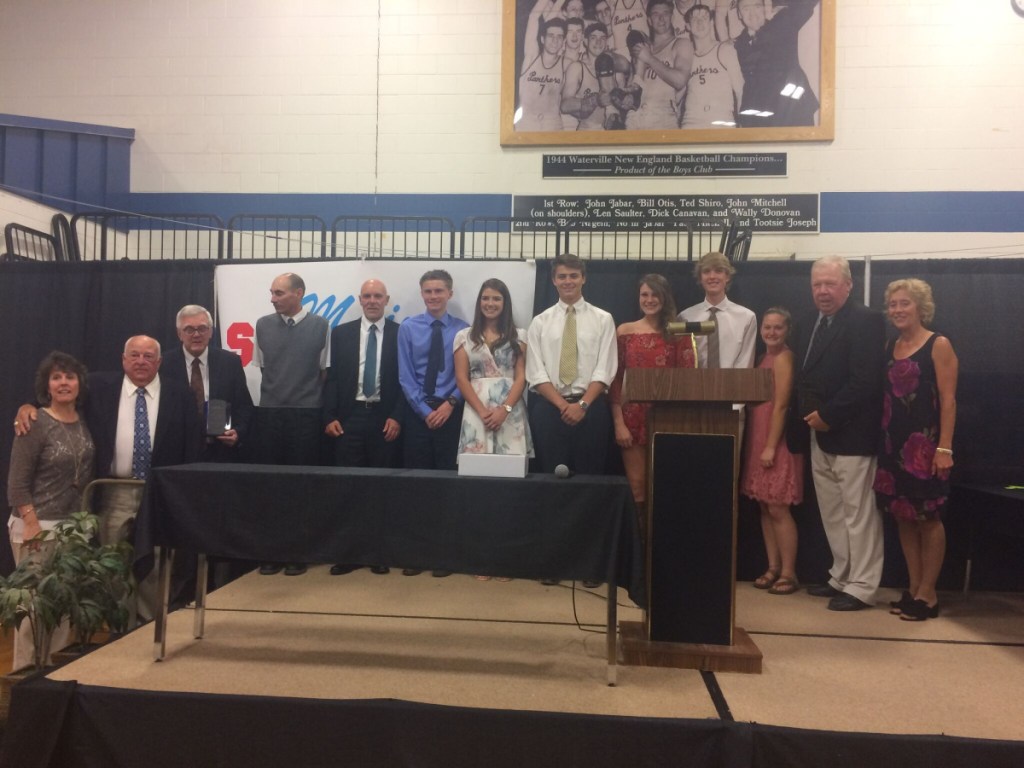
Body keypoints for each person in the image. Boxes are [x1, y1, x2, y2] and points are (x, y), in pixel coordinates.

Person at [16, 336, 201, 624]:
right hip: (112, 491)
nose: (141, 361)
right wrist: (27, 406)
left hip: (158, 494)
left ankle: (150, 626)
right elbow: (61, 397)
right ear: (123, 359)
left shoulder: (180, 395)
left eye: (148, 356)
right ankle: (119, 630)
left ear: (159, 362)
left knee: (153, 562)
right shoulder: (100, 387)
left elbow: (193, 449)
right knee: (111, 562)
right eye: (135, 355)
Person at [787, 256, 886, 611]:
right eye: (817, 284)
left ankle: (862, 586)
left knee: (858, 512)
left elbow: (867, 381)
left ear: (848, 285)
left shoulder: (867, 320)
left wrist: (829, 415)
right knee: (832, 511)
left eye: (830, 284)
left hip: (851, 433)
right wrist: (814, 420)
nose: (823, 291)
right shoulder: (810, 321)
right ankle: (842, 575)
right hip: (818, 432)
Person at [874, 279, 958, 621]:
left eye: (904, 303)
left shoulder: (939, 344)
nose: (897, 310)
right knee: (903, 517)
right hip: (893, 447)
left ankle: (929, 594)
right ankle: (914, 588)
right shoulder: (891, 344)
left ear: (921, 307)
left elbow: (949, 401)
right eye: (893, 304)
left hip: (925, 447)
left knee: (928, 519)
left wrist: (944, 448)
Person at [7, 352, 94, 670]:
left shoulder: (84, 420)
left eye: (69, 377)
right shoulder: (33, 422)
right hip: (37, 528)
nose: (64, 383)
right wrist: (31, 522)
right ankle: (23, 680)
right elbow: (17, 483)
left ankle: (53, 680)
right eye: (56, 377)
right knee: (32, 610)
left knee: (62, 609)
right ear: (46, 385)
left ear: (79, 383)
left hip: (73, 530)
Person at [322, 278, 405, 577]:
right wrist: (328, 416)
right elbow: (332, 379)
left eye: (378, 296)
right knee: (349, 487)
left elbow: (406, 380)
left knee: (380, 487)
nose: (372, 301)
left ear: (387, 299)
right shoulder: (341, 333)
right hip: (349, 418)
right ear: (360, 299)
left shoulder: (400, 333)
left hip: (385, 419)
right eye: (367, 296)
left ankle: (378, 553)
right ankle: (349, 553)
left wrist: (397, 416)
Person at [252, 273, 329, 577]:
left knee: (301, 487)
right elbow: (264, 366)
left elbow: (323, 372)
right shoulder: (262, 325)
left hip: (306, 415)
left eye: (279, 293)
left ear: (299, 294)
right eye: (272, 292)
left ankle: (298, 553)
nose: (273, 299)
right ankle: (272, 552)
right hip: (270, 413)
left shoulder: (321, 327)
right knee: (272, 486)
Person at [398, 269, 469, 577]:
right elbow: (405, 375)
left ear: (449, 294)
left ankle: (444, 554)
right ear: (422, 294)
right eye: (428, 291)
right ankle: (417, 553)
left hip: (452, 415)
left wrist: (449, 405)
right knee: (418, 486)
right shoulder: (408, 328)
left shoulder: (464, 330)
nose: (433, 296)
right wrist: (425, 411)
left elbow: (467, 376)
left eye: (439, 291)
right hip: (419, 416)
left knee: (447, 485)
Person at [609, 274, 695, 521]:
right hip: (631, 420)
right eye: (644, 294)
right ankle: (640, 552)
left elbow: (687, 380)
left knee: (666, 487)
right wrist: (618, 423)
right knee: (637, 487)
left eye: (654, 294)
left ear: (664, 297)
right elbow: (615, 379)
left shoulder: (679, 332)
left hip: (669, 420)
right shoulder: (624, 331)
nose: (649, 299)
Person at [526, 254, 617, 477]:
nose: (568, 281)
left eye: (574, 276)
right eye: (562, 276)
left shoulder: (603, 319)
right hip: (550, 410)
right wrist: (563, 406)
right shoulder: (540, 322)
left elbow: (605, 368)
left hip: (591, 409)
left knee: (590, 477)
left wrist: (582, 405)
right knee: (551, 476)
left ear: (583, 278)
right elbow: (536, 373)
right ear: (553, 280)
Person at [740, 307, 804, 596]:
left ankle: (789, 572)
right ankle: (773, 566)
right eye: (767, 327)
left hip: (775, 441)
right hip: (758, 437)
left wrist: (770, 446)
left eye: (778, 327)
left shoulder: (784, 358)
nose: (771, 332)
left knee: (778, 506)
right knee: (765, 506)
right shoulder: (762, 358)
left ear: (787, 330)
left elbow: (782, 405)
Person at [162, 305, 253, 463]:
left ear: (211, 332)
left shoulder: (230, 362)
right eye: (189, 329)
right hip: (176, 451)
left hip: (220, 449)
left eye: (202, 328)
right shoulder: (165, 363)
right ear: (179, 334)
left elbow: (244, 405)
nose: (196, 334)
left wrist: (238, 432)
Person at [454, 278, 533, 460]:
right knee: (474, 468)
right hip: (476, 410)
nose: (490, 303)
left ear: (505, 303)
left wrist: (504, 410)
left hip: (510, 410)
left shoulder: (519, 336)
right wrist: (483, 412)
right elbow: (461, 378)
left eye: (496, 299)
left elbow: (521, 378)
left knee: (512, 468)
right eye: (485, 298)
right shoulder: (463, 336)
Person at [734, 0, 820, 127]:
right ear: (739, 14)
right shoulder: (737, 45)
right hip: (759, 119)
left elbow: (806, 4)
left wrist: (779, 3)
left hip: (792, 111)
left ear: (764, 8)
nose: (752, 13)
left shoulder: (782, 23)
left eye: (757, 6)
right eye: (746, 8)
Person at [678, 251, 756, 371]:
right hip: (695, 386)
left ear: (728, 276)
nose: (712, 276)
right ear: (700, 277)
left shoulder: (747, 318)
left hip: (734, 386)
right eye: (706, 271)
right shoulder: (686, 317)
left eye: (718, 271)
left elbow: (745, 363)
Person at [624, 0, 694, 130]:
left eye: (665, 13)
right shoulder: (642, 47)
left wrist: (649, 59)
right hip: (635, 116)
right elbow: (632, 85)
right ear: (649, 20)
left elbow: (679, 81)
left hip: (662, 116)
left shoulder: (681, 44)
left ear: (672, 17)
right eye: (655, 14)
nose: (661, 18)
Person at [680, 3, 743, 128]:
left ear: (711, 22)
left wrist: (742, 122)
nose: (700, 22)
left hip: (721, 123)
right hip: (690, 124)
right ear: (688, 26)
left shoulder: (725, 50)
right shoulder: (686, 56)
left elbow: (740, 90)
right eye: (695, 18)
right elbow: (678, 96)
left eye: (704, 17)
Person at [517, 13, 567, 132]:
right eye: (551, 36)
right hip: (526, 124)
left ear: (564, 40)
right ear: (542, 39)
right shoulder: (531, 56)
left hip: (553, 125)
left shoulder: (566, 64)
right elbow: (533, 16)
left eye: (559, 37)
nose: (555, 41)